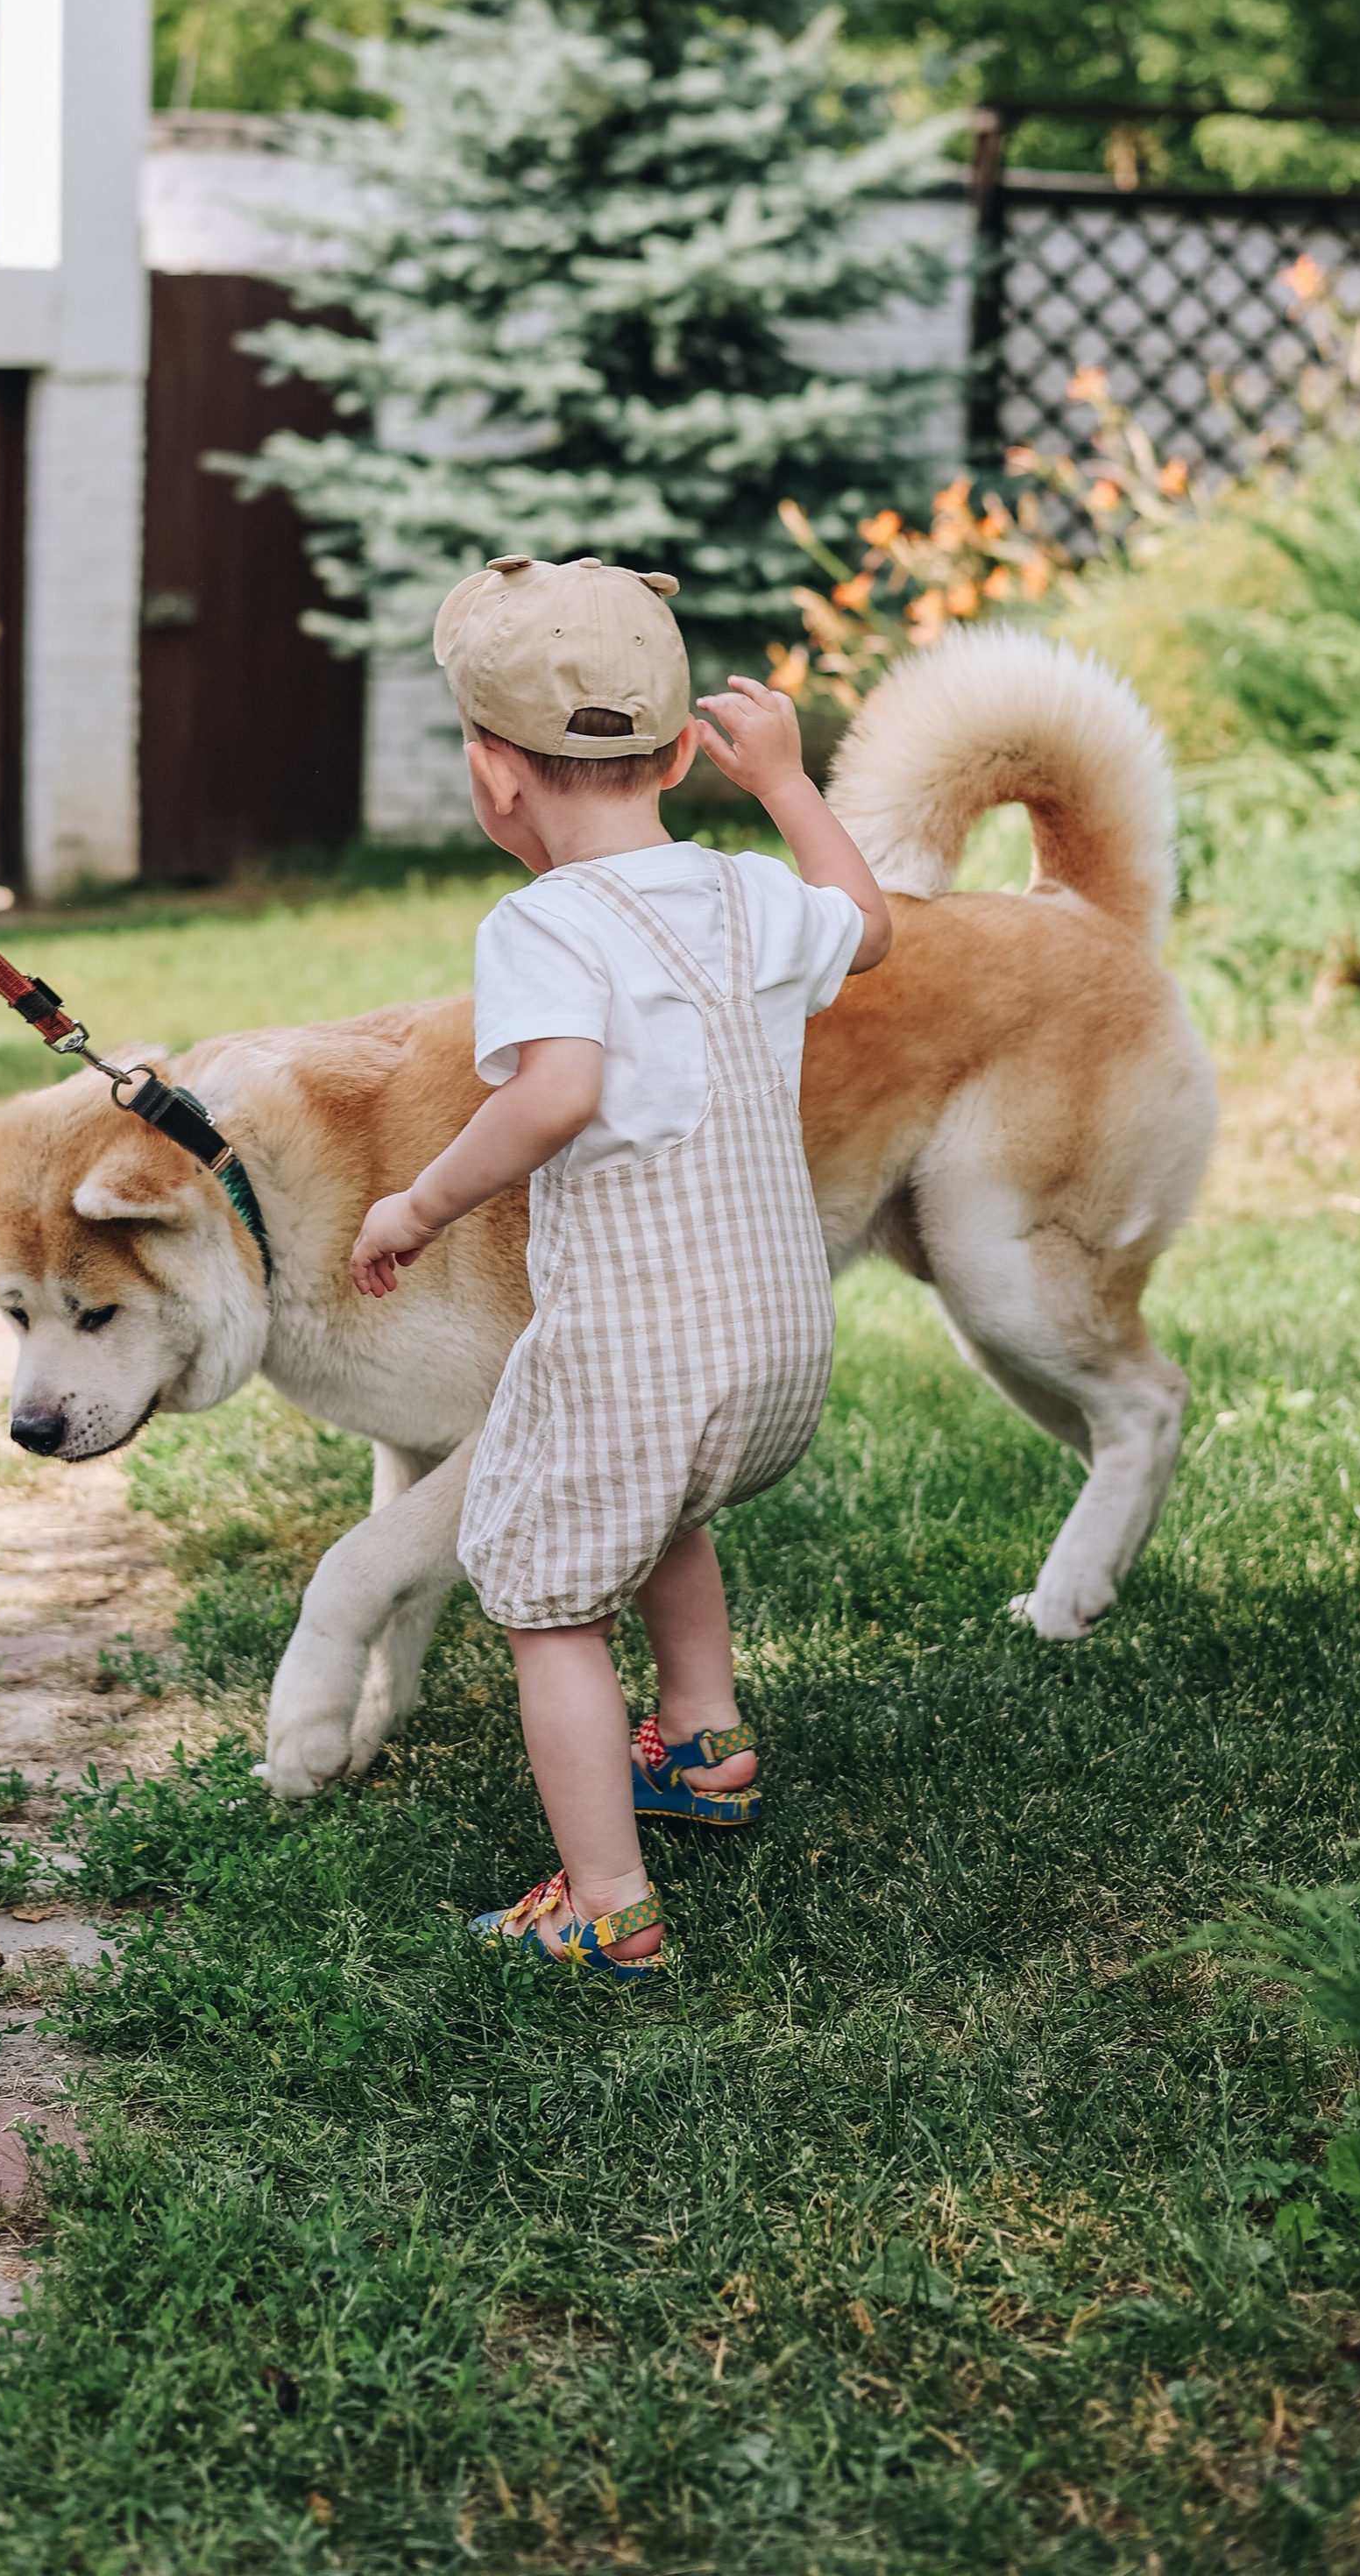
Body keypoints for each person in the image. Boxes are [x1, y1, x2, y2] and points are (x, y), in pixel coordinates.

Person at [350, 554, 892, 1976]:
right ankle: (704, 1747)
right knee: (658, 1508)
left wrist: (417, 1201)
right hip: (778, 1348)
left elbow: (554, 1095)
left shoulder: (540, 923)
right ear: (671, 751)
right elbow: (873, 925)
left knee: (545, 1597)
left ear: (494, 777)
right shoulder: (747, 890)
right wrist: (781, 781)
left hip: (641, 1346)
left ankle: (607, 1900)